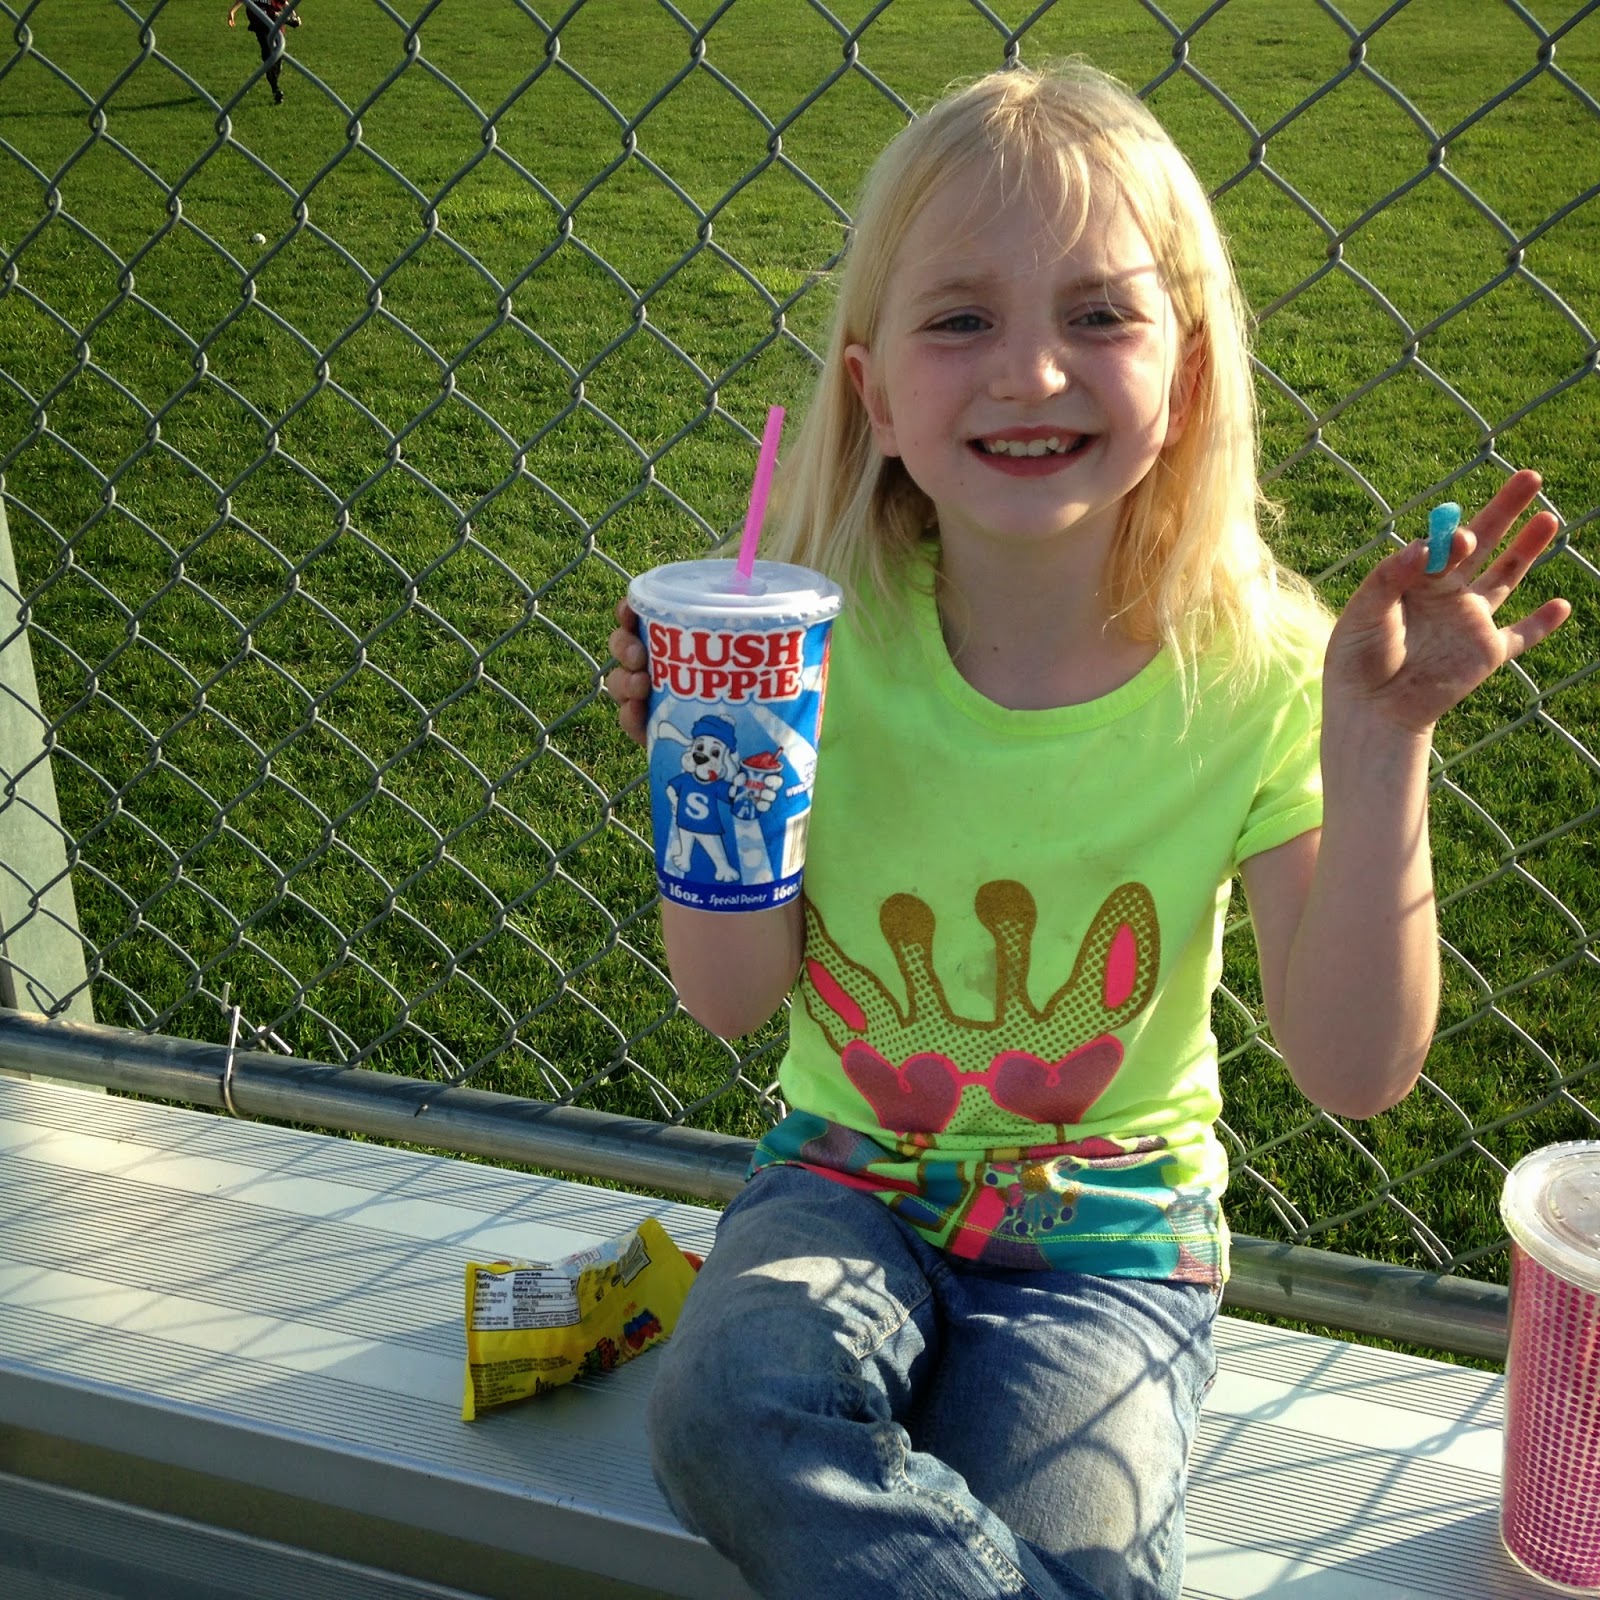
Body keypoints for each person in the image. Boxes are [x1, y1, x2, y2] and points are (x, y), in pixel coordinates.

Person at [604, 61, 1570, 1600]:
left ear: (1186, 376)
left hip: (1110, 1243)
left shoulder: (1255, 672)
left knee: (1077, 1553)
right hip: (840, 1185)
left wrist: (1383, 743)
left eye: (1101, 315)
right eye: (959, 319)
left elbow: (1355, 1068)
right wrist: (707, 785)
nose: (1031, 371)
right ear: (873, 395)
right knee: (729, 1410)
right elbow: (731, 1002)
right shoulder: (811, 653)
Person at [227, 0, 300, 107]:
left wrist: (294, 16)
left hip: (276, 25)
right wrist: (232, 11)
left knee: (278, 54)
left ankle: (275, 73)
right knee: (268, 55)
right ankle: (275, 88)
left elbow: (285, 3)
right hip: (260, 24)